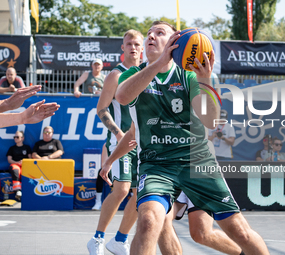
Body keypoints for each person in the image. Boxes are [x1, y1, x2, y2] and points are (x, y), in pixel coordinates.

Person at [101, 21, 269, 255]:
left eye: (160, 33)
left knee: (231, 232)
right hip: (157, 164)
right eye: (149, 33)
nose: (151, 37)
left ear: (175, 43)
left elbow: (210, 121)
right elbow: (121, 97)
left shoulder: (189, 76)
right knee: (150, 221)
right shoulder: (134, 74)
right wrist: (158, 63)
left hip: (196, 162)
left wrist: (206, 80)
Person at [87, 29, 144, 255]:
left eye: (136, 43)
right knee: (120, 190)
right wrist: (118, 133)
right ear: (123, 48)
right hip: (120, 140)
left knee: (142, 194)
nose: (133, 47)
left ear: (142, 48)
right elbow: (101, 108)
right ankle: (97, 238)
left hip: (143, 144)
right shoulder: (115, 75)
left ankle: (119, 240)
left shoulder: (148, 73)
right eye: (128, 43)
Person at [158, 191, 244, 255]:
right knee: (161, 217)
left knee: (202, 234)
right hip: (170, 175)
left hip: (197, 175)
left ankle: (245, 252)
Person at [6, 131, 32, 201]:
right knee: (16, 170)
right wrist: (17, 162)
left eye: (17, 137)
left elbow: (30, 158)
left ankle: (27, 192)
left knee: (26, 172)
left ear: (22, 138)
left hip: (25, 165)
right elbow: (9, 159)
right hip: (15, 164)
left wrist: (24, 162)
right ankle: (17, 191)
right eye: (15, 137)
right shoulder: (12, 148)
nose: (15, 138)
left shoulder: (27, 147)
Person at [91, 143, 109, 211]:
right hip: (111, 170)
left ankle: (134, 199)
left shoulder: (126, 142)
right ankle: (98, 202)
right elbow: (103, 164)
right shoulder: (106, 145)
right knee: (101, 172)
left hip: (123, 169)